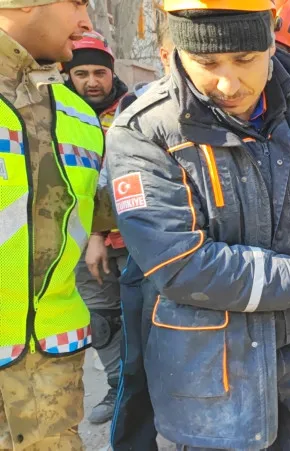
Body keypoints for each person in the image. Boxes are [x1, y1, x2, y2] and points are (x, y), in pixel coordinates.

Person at [105, 0, 290, 449]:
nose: (228, 83)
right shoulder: (145, 133)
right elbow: (180, 265)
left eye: (245, 60)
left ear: (271, 41)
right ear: (177, 52)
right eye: (206, 62)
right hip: (215, 354)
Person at [0, 0, 115, 448]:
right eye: (76, 2)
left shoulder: (81, 116)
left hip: (53, 365)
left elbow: (95, 213)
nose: (86, 20)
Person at [109, 11, 174, 451]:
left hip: (217, 273)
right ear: (169, 55)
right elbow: (109, 189)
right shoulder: (138, 110)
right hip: (149, 266)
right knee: (137, 368)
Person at [61, 30, 129, 426]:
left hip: (134, 237)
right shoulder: (59, 112)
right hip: (81, 240)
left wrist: (101, 234)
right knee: (103, 321)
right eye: (81, 72)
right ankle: (118, 390)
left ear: (112, 72)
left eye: (99, 72)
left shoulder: (132, 109)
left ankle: (147, 394)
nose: (91, 81)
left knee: (147, 319)